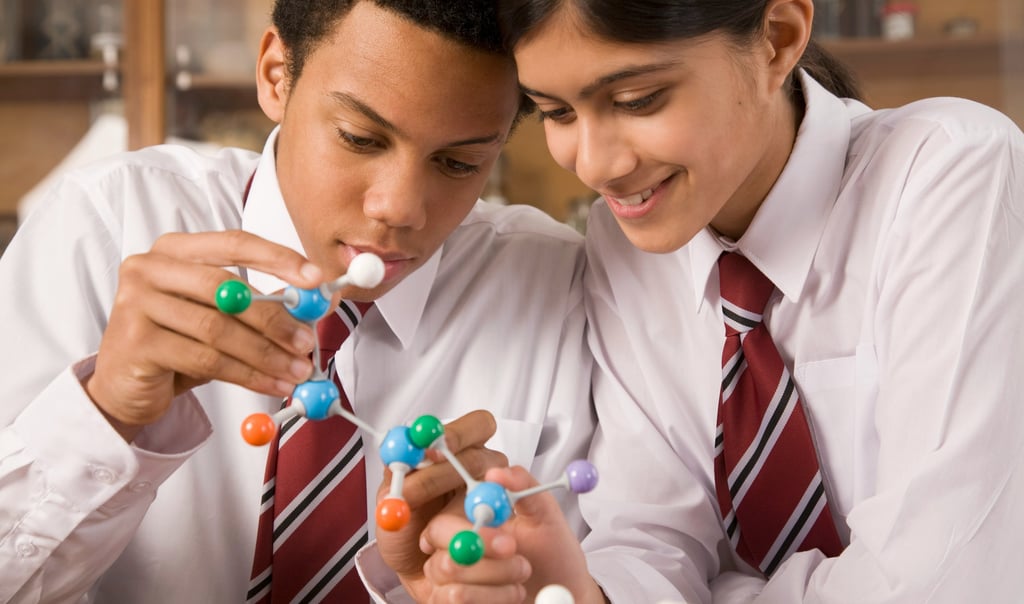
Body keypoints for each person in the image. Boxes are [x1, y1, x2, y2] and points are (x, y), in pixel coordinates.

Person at [405, 0, 1024, 602]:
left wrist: (721, 591)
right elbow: (652, 536)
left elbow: (944, 580)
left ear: (778, 38)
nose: (594, 165)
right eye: (557, 113)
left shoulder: (951, 174)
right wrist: (571, 589)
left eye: (636, 100)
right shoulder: (623, 252)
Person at [0, 1, 595, 602]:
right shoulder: (105, 228)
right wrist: (104, 412)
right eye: (360, 139)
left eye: (458, 163)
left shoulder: (558, 287)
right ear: (276, 75)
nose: (399, 208)